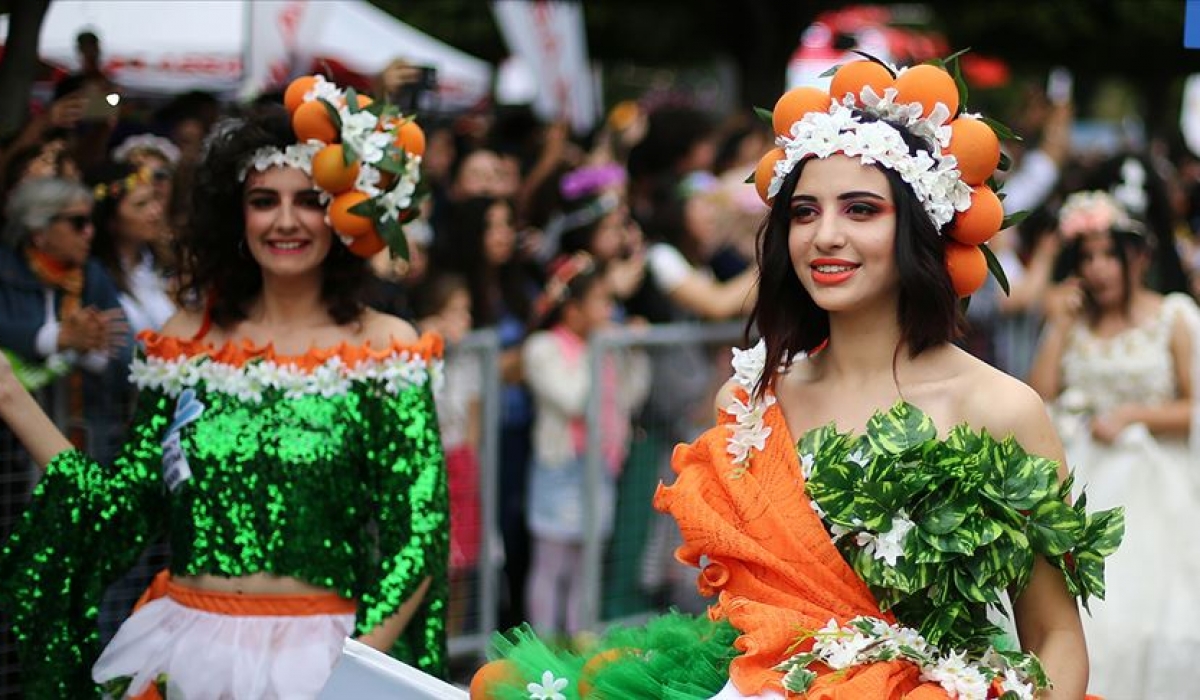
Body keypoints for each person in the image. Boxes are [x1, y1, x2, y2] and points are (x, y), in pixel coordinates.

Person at [473, 58, 1122, 700]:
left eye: (861, 210)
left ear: (919, 230)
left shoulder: (1000, 408)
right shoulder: (752, 399)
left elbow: (1056, 640)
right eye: (805, 212)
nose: (825, 236)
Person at [0, 77, 448, 697]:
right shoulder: (186, 340)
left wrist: (354, 676)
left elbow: (417, 531)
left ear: (345, 213)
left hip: (321, 663)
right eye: (264, 200)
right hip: (186, 653)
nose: (285, 221)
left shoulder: (385, 347)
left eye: (309, 200)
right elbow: (124, 509)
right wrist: (10, 397)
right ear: (236, 214)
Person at [1028, 189, 1200, 697]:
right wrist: (1058, 326)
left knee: (1152, 617)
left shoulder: (1175, 316)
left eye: (1110, 256)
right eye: (1088, 258)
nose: (1099, 269)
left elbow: (1195, 405)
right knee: (1084, 615)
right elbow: (1037, 396)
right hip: (1084, 478)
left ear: (1138, 257)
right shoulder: (1074, 322)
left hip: (1156, 484)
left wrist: (1133, 416)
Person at [521, 253, 649, 639]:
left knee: (585, 564)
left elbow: (633, 395)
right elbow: (573, 399)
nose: (608, 311)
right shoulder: (542, 348)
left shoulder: (605, 347)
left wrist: (635, 350)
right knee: (552, 564)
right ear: (573, 308)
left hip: (601, 466)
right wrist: (600, 349)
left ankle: (581, 644)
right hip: (561, 467)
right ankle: (541, 648)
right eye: (599, 301)